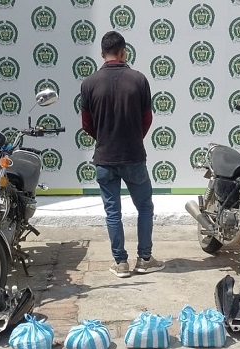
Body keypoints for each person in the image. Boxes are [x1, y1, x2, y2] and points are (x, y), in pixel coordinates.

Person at [80, 31, 164, 278]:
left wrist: (104, 139)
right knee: (145, 207)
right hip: (134, 156)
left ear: (102, 54)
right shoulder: (139, 80)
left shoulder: (89, 83)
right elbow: (147, 119)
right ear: (123, 52)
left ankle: (121, 263)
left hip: (104, 158)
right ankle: (144, 259)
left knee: (112, 212)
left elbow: (86, 124)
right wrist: (134, 138)